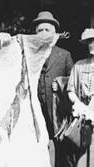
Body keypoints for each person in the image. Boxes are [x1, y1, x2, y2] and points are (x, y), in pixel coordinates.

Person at [33, 11, 74, 139]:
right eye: (40, 30)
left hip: (57, 112)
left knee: (61, 149)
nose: (44, 33)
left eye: (47, 30)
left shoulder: (64, 55)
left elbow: (74, 81)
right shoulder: (30, 56)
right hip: (36, 111)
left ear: (54, 34)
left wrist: (61, 82)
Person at [67, 28, 94, 167]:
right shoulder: (79, 65)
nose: (92, 44)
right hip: (83, 119)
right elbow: (70, 90)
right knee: (81, 157)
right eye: (89, 41)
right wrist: (78, 104)